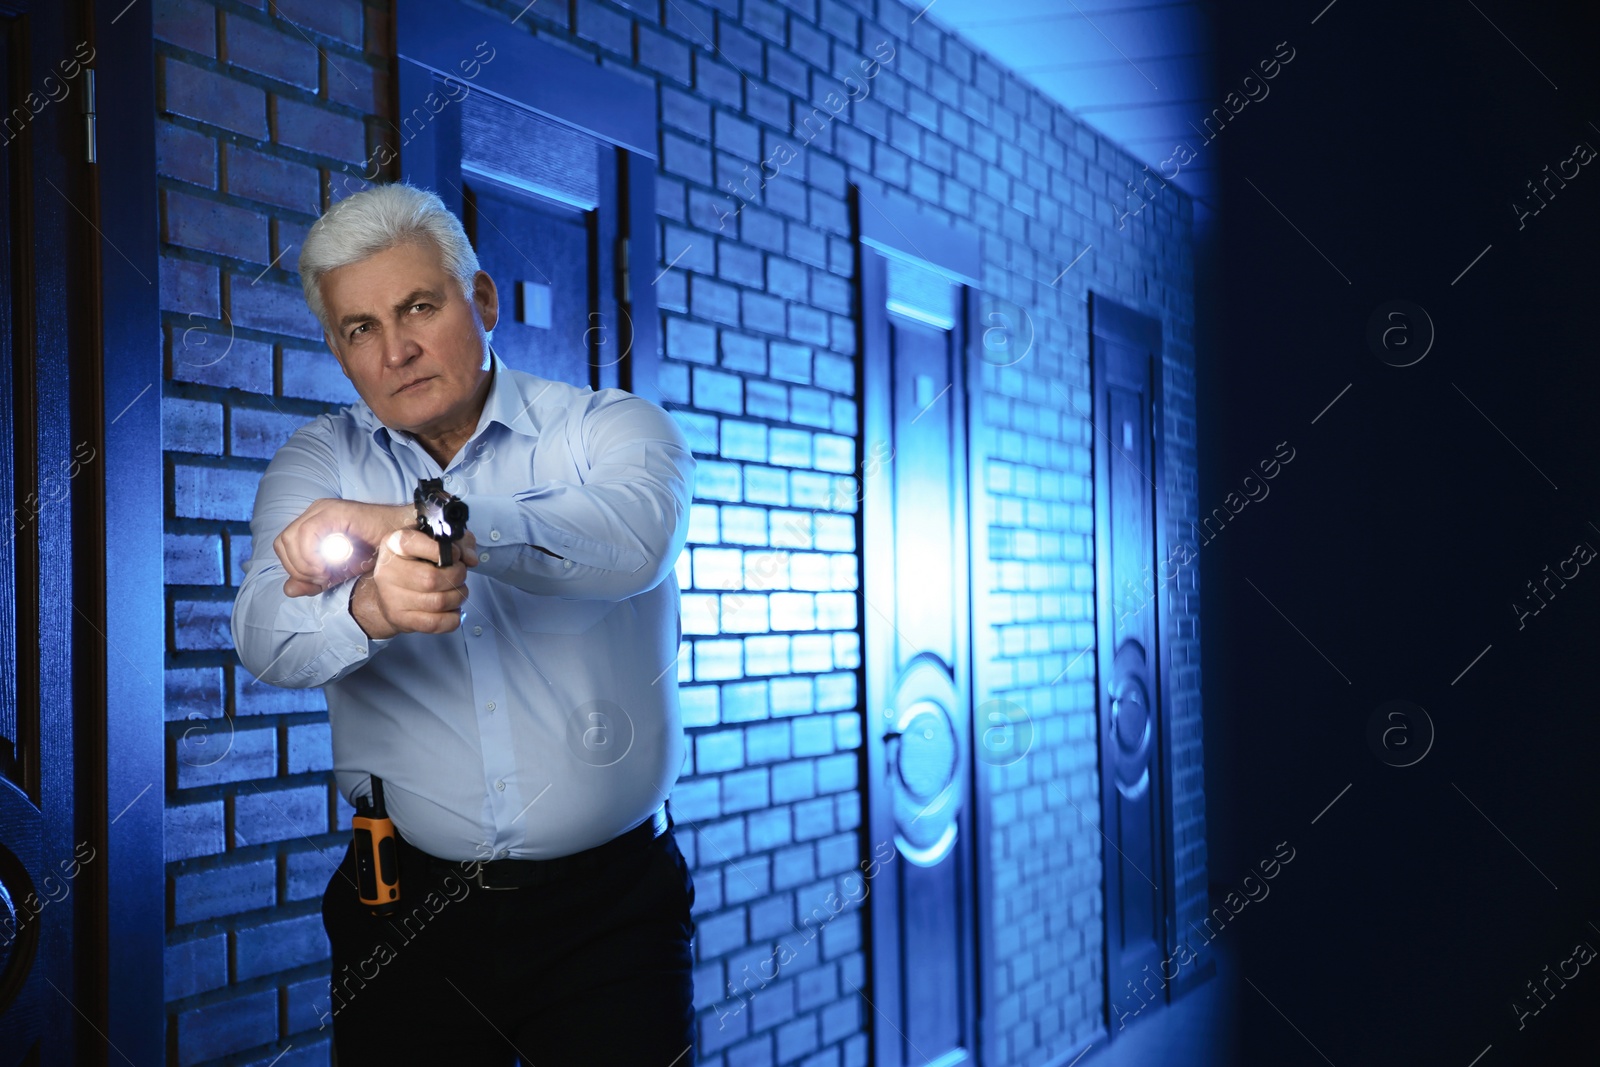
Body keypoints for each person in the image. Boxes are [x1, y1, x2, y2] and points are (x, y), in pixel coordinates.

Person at [229, 181, 698, 1064]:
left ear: (481, 301)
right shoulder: (317, 461)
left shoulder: (612, 428)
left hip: (612, 912)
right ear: (338, 349)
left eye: (418, 306)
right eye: (361, 328)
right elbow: (261, 635)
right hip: (403, 918)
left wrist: (428, 520)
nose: (398, 349)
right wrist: (368, 608)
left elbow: (636, 541)